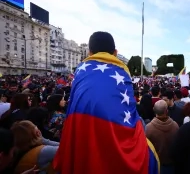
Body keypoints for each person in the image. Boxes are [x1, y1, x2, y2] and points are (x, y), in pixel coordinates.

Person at [53, 31, 159, 174]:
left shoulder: (80, 72)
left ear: (90, 53)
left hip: (81, 146)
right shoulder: (122, 72)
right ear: (115, 52)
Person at [146, 100, 179, 174]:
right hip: (172, 164)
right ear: (166, 111)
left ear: (154, 110)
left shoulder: (148, 128)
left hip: (156, 165)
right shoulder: (175, 126)